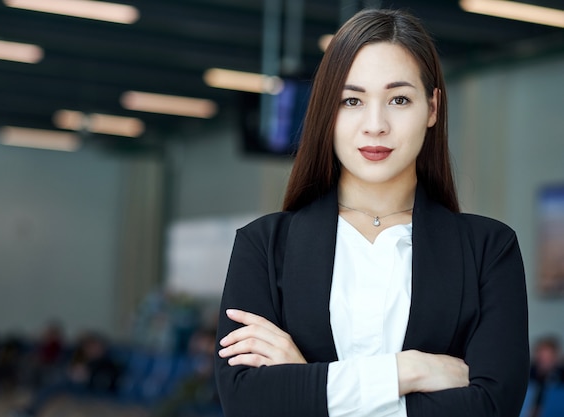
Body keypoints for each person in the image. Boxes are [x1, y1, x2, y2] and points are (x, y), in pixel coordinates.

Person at [214, 8, 528, 417]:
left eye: (399, 99)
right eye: (352, 100)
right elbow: (245, 401)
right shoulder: (264, 245)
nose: (375, 124)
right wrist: (408, 371)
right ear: (327, 111)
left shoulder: (488, 249)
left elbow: (491, 405)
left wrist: (306, 381)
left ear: (432, 108)